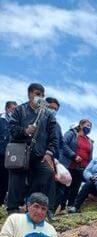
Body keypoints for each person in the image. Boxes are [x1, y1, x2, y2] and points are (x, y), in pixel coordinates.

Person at [5, 83, 57, 213]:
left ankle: (44, 209)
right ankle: (12, 209)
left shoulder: (48, 115)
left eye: (42, 95)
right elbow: (11, 129)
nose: (40, 97)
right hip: (20, 151)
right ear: (30, 95)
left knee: (47, 173)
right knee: (16, 180)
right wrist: (25, 131)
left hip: (39, 154)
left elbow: (53, 137)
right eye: (37, 94)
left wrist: (49, 153)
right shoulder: (19, 110)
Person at [57, 118, 93, 213]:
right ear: (81, 125)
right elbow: (63, 144)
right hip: (69, 164)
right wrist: (73, 155)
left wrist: (89, 167)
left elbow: (90, 156)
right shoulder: (72, 134)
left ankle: (71, 206)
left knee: (76, 187)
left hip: (82, 167)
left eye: (90, 127)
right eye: (87, 125)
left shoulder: (89, 141)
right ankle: (61, 207)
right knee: (66, 186)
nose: (88, 128)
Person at [0, 101, 17, 205]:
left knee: (4, 180)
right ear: (7, 109)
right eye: (13, 109)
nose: (14, 112)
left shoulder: (14, 125)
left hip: (9, 157)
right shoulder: (1, 120)